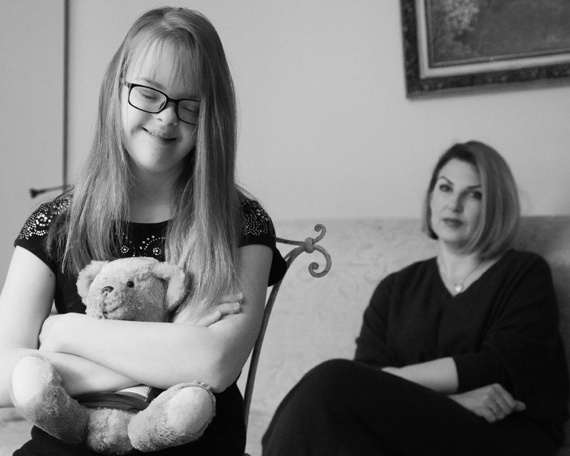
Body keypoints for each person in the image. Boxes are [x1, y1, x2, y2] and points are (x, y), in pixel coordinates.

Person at [0, 7, 286, 456]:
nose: (167, 117)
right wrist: (175, 347)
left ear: (213, 116)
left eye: (191, 106)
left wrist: (65, 334)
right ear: (117, 90)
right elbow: (4, 374)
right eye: (149, 94)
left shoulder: (239, 224)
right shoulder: (55, 223)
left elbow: (213, 364)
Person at [262, 141, 569, 456]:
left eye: (474, 194)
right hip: (416, 437)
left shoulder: (525, 274)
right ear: (431, 197)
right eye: (445, 188)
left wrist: (391, 380)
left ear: (497, 205)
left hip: (503, 433)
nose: (454, 204)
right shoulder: (396, 288)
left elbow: (499, 367)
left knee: (331, 382)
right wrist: (452, 401)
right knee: (328, 421)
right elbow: (369, 381)